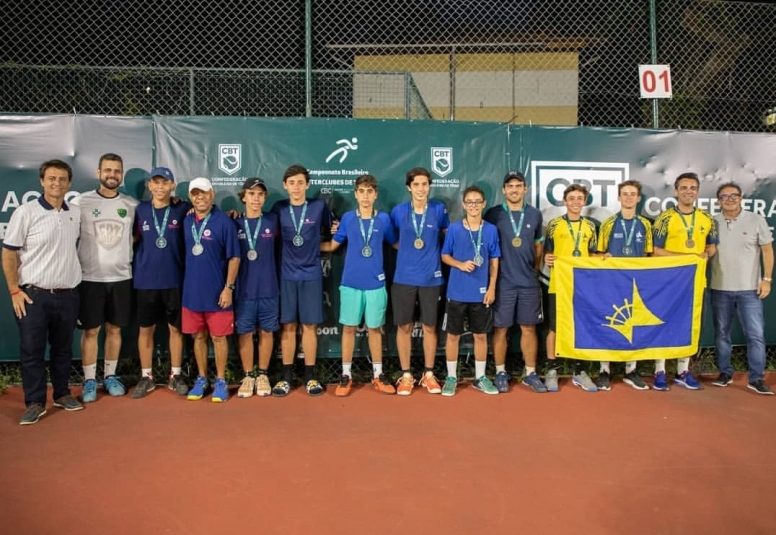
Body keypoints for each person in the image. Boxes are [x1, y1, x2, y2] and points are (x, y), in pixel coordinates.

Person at [2, 160, 84, 424]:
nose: (56, 183)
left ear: (69, 183)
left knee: (63, 350)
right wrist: (14, 290)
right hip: (34, 296)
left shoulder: (75, 213)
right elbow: (9, 252)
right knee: (32, 351)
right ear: (42, 181)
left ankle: (62, 394)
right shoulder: (25, 212)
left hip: (68, 295)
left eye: (62, 179)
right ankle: (35, 402)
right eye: (51, 178)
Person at [321, 175, 398, 396]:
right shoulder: (347, 218)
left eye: (369, 191)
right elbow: (333, 245)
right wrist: (302, 248)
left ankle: (378, 375)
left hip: (376, 283)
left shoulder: (383, 219)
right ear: (355, 194)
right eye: (361, 191)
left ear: (375, 195)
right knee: (349, 329)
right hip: (351, 284)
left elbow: (396, 243)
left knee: (375, 329)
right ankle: (346, 375)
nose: (365, 196)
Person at [71, 153, 139, 402]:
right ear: (98, 173)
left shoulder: (131, 204)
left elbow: (138, 235)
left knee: (114, 329)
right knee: (91, 331)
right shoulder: (80, 202)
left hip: (121, 277)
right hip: (90, 278)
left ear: (121, 175)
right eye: (108, 170)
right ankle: (89, 380)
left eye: (117, 171)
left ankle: (110, 376)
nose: (112, 175)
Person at [270, 164, 334, 397]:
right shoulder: (278, 208)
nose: (296, 187)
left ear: (307, 185)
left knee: (309, 326)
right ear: (285, 186)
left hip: (311, 274)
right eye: (291, 183)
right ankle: (286, 378)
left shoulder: (319, 207)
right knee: (288, 326)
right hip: (286, 275)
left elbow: (334, 229)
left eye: (300, 182)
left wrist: (324, 246)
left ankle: (310, 376)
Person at [652, 172, 718, 390]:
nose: (688, 192)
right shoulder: (664, 218)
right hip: (667, 281)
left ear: (697, 192)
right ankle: (659, 370)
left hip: (694, 282)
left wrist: (706, 254)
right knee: (662, 322)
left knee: (688, 325)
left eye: (693, 188)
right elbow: (655, 250)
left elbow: (712, 247)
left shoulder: (708, 219)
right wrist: (687, 258)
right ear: (676, 191)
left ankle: (683, 370)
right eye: (684, 188)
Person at [130, 167, 190, 398]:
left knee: (176, 329)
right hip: (145, 281)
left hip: (174, 280)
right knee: (146, 329)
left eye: (165, 182)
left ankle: (175, 375)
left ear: (172, 185)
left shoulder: (182, 208)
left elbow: (205, 212)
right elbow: (132, 238)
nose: (160, 187)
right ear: (149, 186)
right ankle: (147, 376)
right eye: (156, 182)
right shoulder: (140, 210)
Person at [484, 171, 546, 393]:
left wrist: (534, 270)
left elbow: (538, 246)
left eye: (518, 186)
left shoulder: (534, 214)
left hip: (528, 282)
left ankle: (530, 373)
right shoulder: (493, 214)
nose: (514, 190)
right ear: (503, 190)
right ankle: (500, 372)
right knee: (501, 329)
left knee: (529, 327)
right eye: (510, 186)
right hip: (503, 282)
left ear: (525, 189)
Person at [390, 167, 449, 396]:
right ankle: (406, 376)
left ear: (429, 186)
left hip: (431, 278)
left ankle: (429, 374)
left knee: (430, 327)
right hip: (404, 278)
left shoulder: (438, 209)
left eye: (425, 184)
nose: (421, 189)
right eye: (416, 184)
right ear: (409, 187)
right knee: (404, 326)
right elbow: (393, 240)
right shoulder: (398, 211)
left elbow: (447, 237)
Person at [709, 182, 773, 395]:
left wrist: (766, 279)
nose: (729, 199)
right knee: (722, 334)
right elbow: (706, 250)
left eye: (733, 195)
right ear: (718, 201)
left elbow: (767, 251)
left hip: (749, 290)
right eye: (724, 196)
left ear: (741, 197)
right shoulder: (711, 222)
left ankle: (756, 378)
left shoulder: (756, 220)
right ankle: (724, 373)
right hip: (720, 288)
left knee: (756, 335)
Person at [182, 177, 240, 402]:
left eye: (204, 193)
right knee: (198, 336)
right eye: (195, 194)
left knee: (218, 337)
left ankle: (221, 380)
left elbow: (234, 258)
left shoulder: (224, 222)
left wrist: (228, 288)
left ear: (212, 194)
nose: (200, 197)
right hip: (192, 292)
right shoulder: (186, 220)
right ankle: (201, 378)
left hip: (218, 293)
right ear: (190, 197)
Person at [440, 186, 500, 396]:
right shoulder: (455, 229)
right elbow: (445, 255)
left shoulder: (491, 230)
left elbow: (494, 261)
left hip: (481, 293)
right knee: (453, 336)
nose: (473, 205)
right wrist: (460, 264)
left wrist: (491, 288)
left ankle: (480, 377)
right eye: (470, 202)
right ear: (464, 205)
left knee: (480, 336)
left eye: (477, 201)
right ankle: (451, 377)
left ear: (484, 204)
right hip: (457, 292)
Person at [595, 180, 654, 391]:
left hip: (636, 283)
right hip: (612, 282)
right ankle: (604, 370)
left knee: (634, 323)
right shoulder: (608, 224)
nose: (629, 197)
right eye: (625, 194)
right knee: (608, 322)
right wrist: (604, 257)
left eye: (632, 194)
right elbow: (599, 255)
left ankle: (631, 370)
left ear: (638, 198)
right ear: (619, 197)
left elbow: (649, 255)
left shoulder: (645, 225)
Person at [543, 184, 599, 392]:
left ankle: (579, 370)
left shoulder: (590, 226)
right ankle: (552, 369)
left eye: (579, 198)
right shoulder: (554, 225)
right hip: (558, 284)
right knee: (554, 327)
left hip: (583, 285)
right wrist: (547, 258)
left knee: (580, 326)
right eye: (571, 198)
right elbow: (548, 252)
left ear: (584, 201)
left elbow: (592, 254)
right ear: (565, 201)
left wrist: (603, 258)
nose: (576, 202)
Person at [234, 178, 280, 398]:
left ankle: (262, 374)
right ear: (243, 197)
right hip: (244, 290)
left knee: (267, 331)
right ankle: (248, 376)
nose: (256, 198)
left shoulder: (273, 220)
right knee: (245, 333)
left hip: (269, 288)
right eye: (251, 194)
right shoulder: (233, 223)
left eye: (260, 194)